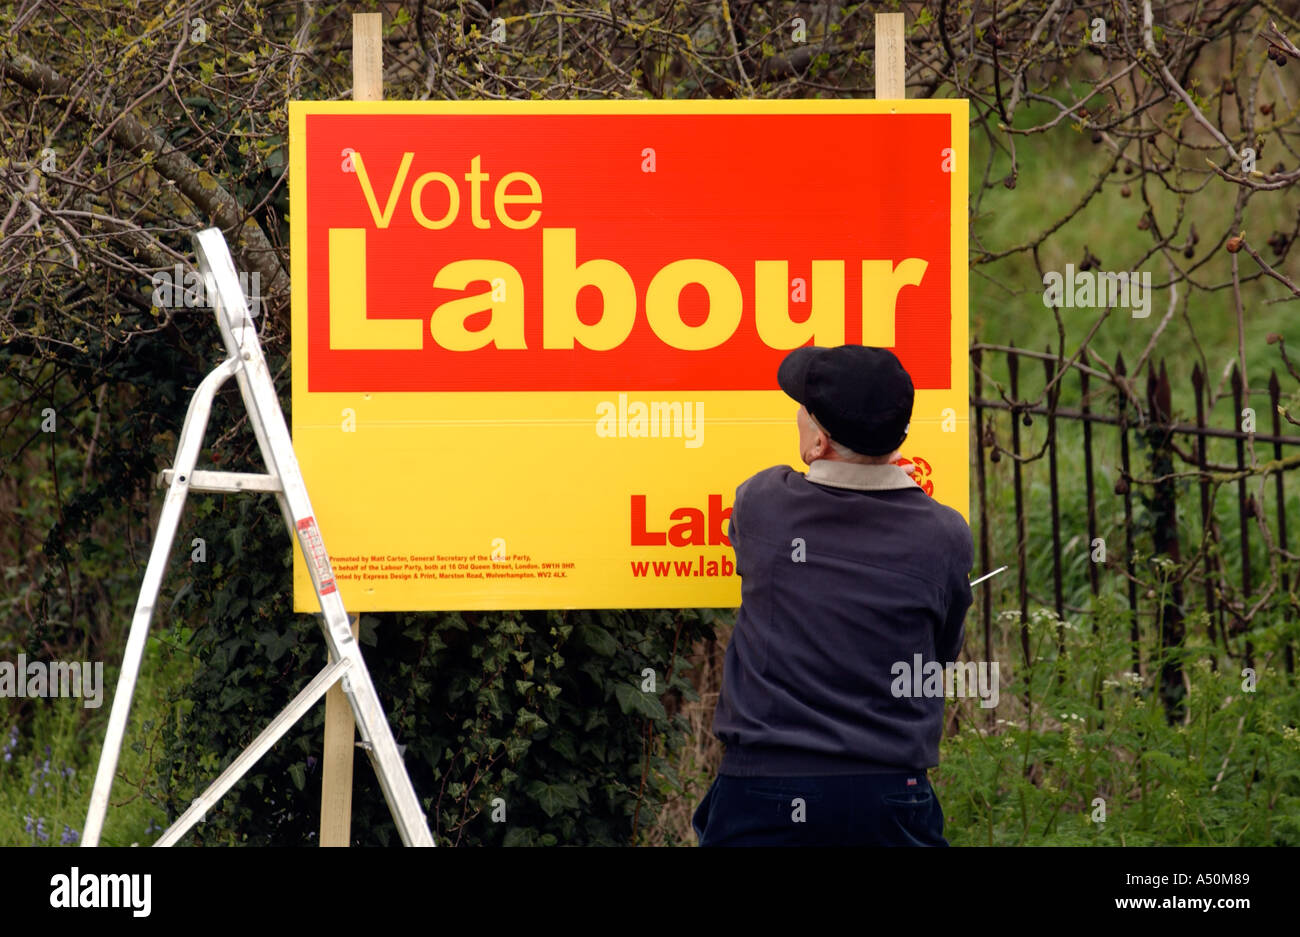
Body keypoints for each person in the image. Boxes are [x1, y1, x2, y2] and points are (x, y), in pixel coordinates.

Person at [692, 344, 974, 846]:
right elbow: (943, 649)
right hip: (889, 793)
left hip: (764, 787)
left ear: (818, 440)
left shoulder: (764, 504)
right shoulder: (944, 534)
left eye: (803, 411)